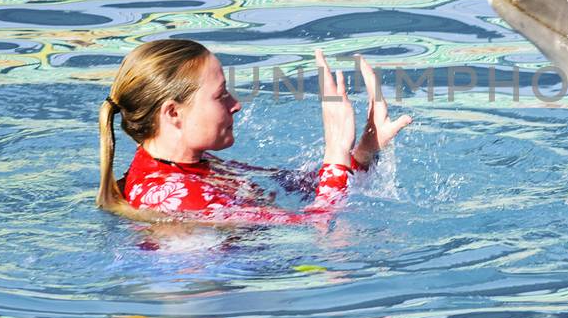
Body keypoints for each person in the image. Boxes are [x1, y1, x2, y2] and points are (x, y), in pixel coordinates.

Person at [97, 39, 410, 224]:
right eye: (221, 95)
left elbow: (305, 191)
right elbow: (321, 229)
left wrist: (363, 153)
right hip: (196, 316)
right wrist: (335, 153)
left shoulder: (192, 169)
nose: (236, 105)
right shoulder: (176, 197)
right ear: (173, 113)